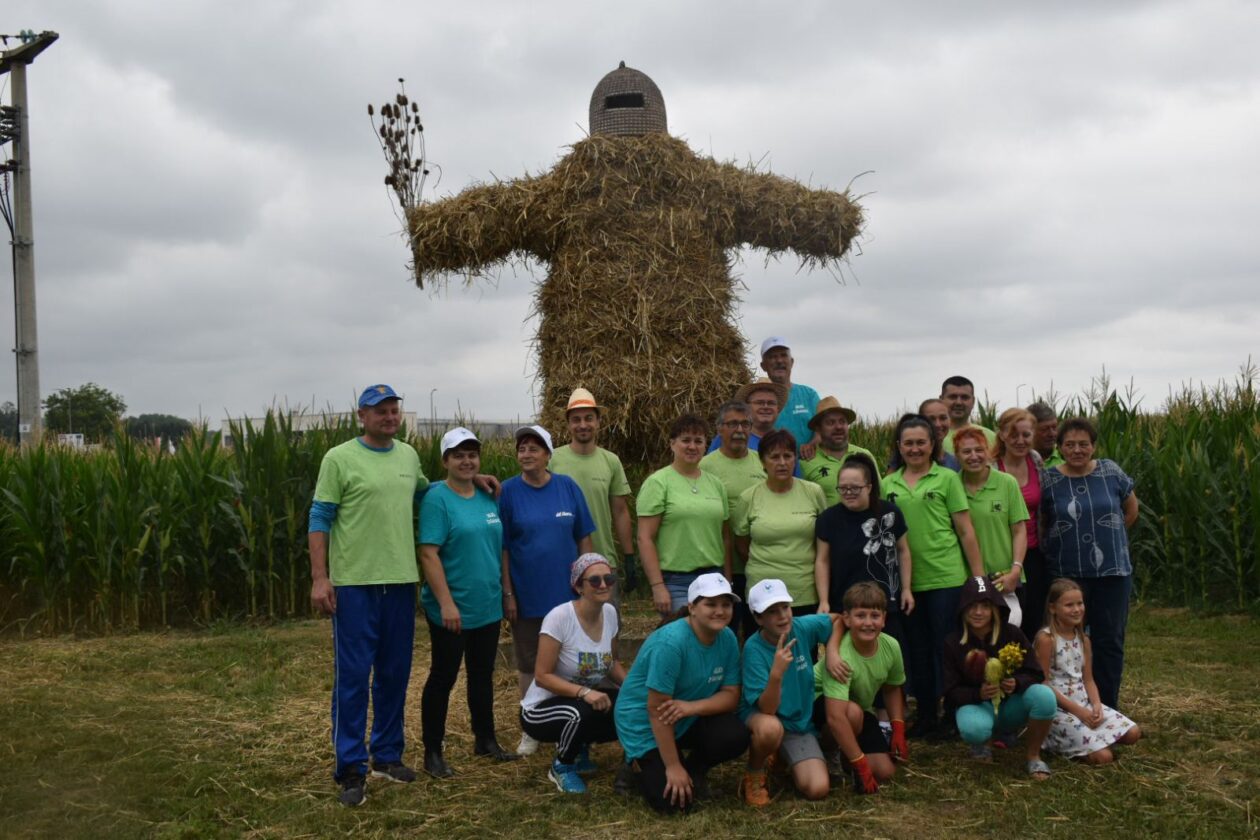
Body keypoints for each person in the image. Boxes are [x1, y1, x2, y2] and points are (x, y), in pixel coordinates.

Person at [308, 384, 426, 806]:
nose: (389, 417)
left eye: (394, 409)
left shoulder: (409, 457)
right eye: (380, 411)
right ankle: (351, 768)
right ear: (362, 415)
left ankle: (388, 756)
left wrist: (474, 482)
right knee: (354, 678)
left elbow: (427, 493)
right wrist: (321, 578)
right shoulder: (339, 458)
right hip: (354, 585)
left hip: (399, 581)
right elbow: (320, 516)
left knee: (395, 674)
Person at [418, 427, 514, 778]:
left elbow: (498, 548)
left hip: (486, 603)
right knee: (443, 676)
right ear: (445, 460)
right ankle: (433, 751)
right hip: (452, 608)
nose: (466, 460)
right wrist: (445, 603)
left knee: (482, 674)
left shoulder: (488, 495)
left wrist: (504, 593)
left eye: (472, 454)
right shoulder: (436, 499)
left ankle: (485, 740)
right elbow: (428, 554)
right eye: (458, 454)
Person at [882, 414, 985, 739]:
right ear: (899, 446)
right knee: (917, 648)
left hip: (946, 577)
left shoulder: (947, 478)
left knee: (948, 647)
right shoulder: (888, 484)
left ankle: (953, 713)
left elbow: (965, 530)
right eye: (908, 443)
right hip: (906, 583)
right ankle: (926, 713)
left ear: (932, 445)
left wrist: (978, 579)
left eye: (920, 442)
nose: (914, 449)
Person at [614, 573, 750, 813]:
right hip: (645, 721)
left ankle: (694, 770)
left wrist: (691, 707)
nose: (720, 611)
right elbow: (657, 710)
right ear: (692, 607)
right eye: (710, 604)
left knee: (735, 734)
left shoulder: (727, 638)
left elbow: (731, 696)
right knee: (676, 805)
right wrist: (673, 766)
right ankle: (634, 762)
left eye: (726, 604)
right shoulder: (671, 643)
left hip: (684, 714)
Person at [500, 424, 596, 754]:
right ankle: (531, 726)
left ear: (547, 454)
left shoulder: (567, 487)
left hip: (567, 595)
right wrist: (508, 592)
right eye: (522, 449)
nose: (526, 454)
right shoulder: (508, 492)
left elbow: (584, 536)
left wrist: (588, 581)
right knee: (530, 664)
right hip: (527, 594)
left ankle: (569, 727)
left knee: (568, 663)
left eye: (534, 448)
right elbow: (504, 548)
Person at [1039, 418, 1139, 710]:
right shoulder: (1049, 479)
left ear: (1094, 446)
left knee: (1109, 642)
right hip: (1068, 575)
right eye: (1069, 444)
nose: (1077, 450)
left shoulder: (1110, 470)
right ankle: (1072, 709)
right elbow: (1043, 522)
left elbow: (1131, 509)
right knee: (1068, 643)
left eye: (1084, 444)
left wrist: (1111, 539)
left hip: (1113, 572)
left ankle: (1107, 708)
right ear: (1060, 448)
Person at [520, 553, 627, 793]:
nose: (603, 585)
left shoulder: (609, 613)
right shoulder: (559, 617)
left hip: (581, 700)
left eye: (609, 579)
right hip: (540, 710)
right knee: (580, 712)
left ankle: (582, 748)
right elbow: (542, 676)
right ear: (579, 586)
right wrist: (585, 691)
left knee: (630, 704)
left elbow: (610, 662)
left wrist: (633, 688)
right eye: (595, 580)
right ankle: (562, 766)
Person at [942, 575, 1056, 780]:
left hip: (1010, 706)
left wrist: (1017, 682)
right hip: (978, 706)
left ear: (995, 608)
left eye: (985, 606)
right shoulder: (953, 642)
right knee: (974, 728)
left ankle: (1033, 755)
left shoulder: (1012, 633)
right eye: (972, 606)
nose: (978, 612)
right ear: (963, 609)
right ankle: (981, 743)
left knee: (1045, 696)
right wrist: (978, 693)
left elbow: (1035, 672)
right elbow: (949, 691)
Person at [738, 579, 839, 805]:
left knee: (818, 788)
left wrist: (830, 651)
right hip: (770, 718)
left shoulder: (800, 627)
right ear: (758, 618)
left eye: (785, 607)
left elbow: (838, 619)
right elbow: (767, 708)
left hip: (799, 722)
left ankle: (785, 757)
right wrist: (776, 674)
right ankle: (754, 772)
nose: (782, 616)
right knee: (770, 729)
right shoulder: (753, 649)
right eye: (772, 611)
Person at [1035, 578, 1143, 765]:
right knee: (1104, 757)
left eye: (1080, 603)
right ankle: (1056, 742)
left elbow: (1089, 680)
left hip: (1083, 703)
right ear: (1053, 608)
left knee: (1134, 733)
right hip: (1059, 709)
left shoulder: (1084, 640)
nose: (1077, 609)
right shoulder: (1047, 639)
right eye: (1069, 605)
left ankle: (1090, 738)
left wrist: (1096, 705)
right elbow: (1043, 683)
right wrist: (1078, 711)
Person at [817, 582, 909, 794]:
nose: (868, 623)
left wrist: (898, 728)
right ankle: (828, 751)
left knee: (884, 771)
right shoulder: (842, 656)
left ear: (884, 619)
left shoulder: (891, 645)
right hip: (820, 707)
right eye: (860, 616)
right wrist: (860, 764)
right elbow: (835, 717)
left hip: (858, 710)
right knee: (852, 714)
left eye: (874, 616)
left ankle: (847, 755)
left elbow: (892, 687)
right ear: (846, 619)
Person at [639, 414, 732, 616]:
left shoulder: (716, 484)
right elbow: (645, 538)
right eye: (686, 440)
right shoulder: (658, 483)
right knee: (683, 638)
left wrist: (728, 578)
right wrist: (657, 585)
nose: (692, 446)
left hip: (713, 576)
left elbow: (724, 536)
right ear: (672, 444)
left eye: (698, 441)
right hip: (676, 582)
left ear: (705, 446)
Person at [814, 454, 913, 643]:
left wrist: (906, 588)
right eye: (843, 488)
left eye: (855, 488)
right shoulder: (828, 519)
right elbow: (822, 560)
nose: (848, 492)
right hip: (845, 607)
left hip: (886, 604)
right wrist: (824, 600)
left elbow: (903, 551)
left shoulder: (889, 512)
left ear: (869, 487)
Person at [550, 388, 636, 590]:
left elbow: (620, 511)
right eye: (576, 419)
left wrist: (629, 556)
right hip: (563, 559)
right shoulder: (553, 460)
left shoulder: (611, 461)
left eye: (589, 418)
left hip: (602, 562)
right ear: (569, 424)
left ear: (598, 422)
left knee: (605, 620)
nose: (583, 425)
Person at [733, 430, 827, 616]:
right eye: (774, 457)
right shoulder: (748, 498)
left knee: (803, 645)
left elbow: (824, 539)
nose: (782, 463)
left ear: (795, 459)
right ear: (762, 462)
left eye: (788, 456)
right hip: (762, 592)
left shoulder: (814, 492)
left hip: (805, 591)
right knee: (762, 645)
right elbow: (742, 545)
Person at [700, 401, 767, 635]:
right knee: (723, 631)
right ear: (719, 429)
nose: (739, 430)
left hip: (757, 562)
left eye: (745, 424)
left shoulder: (763, 462)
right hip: (721, 563)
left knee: (756, 631)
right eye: (732, 424)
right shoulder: (705, 466)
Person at [956, 425, 1030, 628]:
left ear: (988, 452)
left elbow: (1019, 530)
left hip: (1005, 578)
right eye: (966, 451)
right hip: (967, 581)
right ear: (957, 456)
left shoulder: (1007, 483)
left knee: (1009, 644)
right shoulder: (951, 485)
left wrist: (1015, 571)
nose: (973, 456)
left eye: (979, 450)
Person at [993, 407, 1050, 635]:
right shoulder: (991, 466)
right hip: (1003, 555)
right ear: (1002, 435)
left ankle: (1032, 668)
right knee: (1007, 620)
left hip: (1035, 553)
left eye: (1026, 435)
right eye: (1013, 434)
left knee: (1034, 617)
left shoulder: (1036, 462)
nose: (1020, 440)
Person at [800, 396, 876, 507]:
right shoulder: (806, 463)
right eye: (830, 423)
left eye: (842, 422)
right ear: (818, 429)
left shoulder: (865, 455)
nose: (838, 427)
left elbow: (879, 495)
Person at [759, 336, 821, 452]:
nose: (779, 361)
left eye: (783, 355)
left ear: (791, 362)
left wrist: (812, 445)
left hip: (807, 465)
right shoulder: (756, 400)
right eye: (772, 357)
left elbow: (823, 428)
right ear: (763, 366)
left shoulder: (809, 395)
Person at [707, 378, 787, 454]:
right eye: (759, 402)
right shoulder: (726, 438)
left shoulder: (785, 442)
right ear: (747, 407)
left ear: (777, 408)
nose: (766, 407)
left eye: (771, 403)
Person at [939, 376, 996, 454]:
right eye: (953, 397)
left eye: (964, 397)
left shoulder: (990, 437)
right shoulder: (931, 438)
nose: (958, 402)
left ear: (973, 401)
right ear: (941, 400)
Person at [915, 398, 961, 471]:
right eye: (931, 419)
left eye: (943, 418)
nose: (938, 424)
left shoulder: (957, 463)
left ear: (950, 420)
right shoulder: (907, 459)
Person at [1027, 401, 1064, 467]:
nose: (1052, 434)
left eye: (1054, 427)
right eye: (1044, 429)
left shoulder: (1068, 457)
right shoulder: (1018, 460)